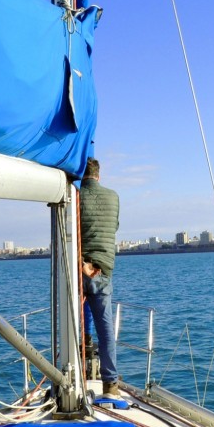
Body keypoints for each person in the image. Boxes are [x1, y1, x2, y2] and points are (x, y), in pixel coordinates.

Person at [79, 157, 120, 397]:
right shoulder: (113, 197)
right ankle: (110, 383)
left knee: (75, 318)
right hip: (102, 269)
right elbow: (113, 226)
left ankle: (80, 357)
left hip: (79, 267)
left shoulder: (75, 195)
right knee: (106, 328)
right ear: (99, 175)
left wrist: (82, 263)